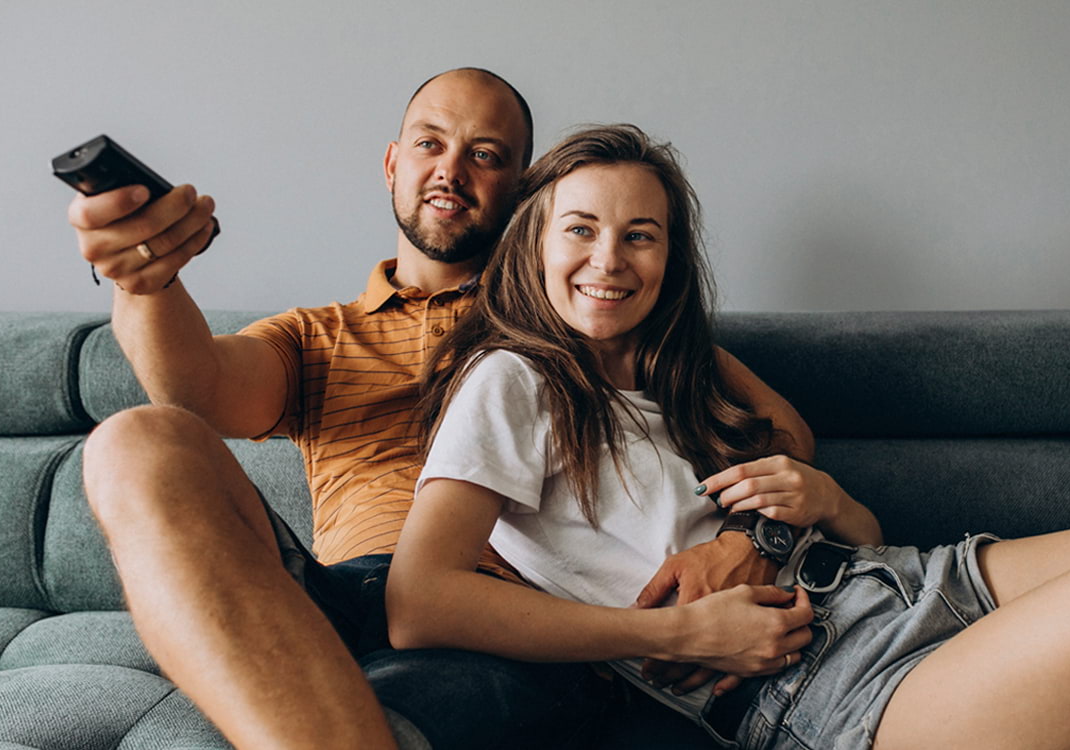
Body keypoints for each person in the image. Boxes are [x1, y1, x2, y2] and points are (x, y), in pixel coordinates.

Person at [384, 123, 1070, 749]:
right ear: (533, 242)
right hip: (830, 686)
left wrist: (813, 501)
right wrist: (664, 628)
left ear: (672, 257)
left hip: (915, 578)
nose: (608, 261)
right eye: (579, 230)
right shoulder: (514, 380)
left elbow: (808, 461)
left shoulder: (672, 373)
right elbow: (419, 600)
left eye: (642, 237)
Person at [73, 69, 813, 749]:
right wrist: (148, 281)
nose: (451, 170)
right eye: (431, 143)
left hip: (500, 615)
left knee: (409, 709)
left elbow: (776, 428)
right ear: (394, 163)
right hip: (332, 598)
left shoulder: (584, 307)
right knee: (133, 442)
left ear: (524, 192)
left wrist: (750, 535)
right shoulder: (316, 337)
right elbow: (194, 393)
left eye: (487, 154)